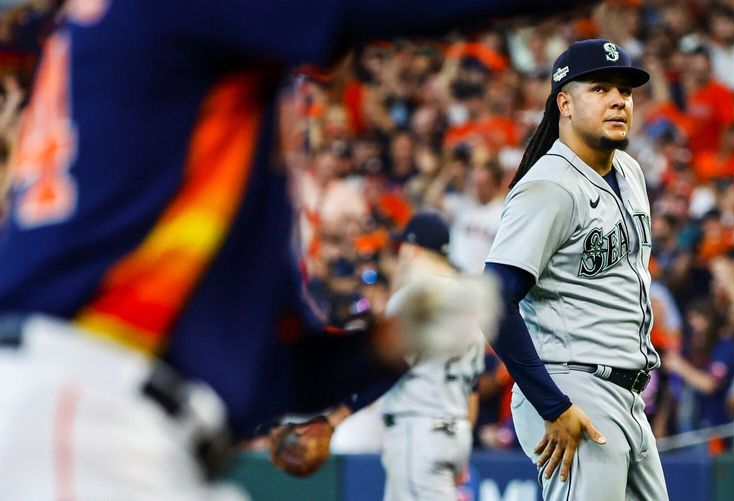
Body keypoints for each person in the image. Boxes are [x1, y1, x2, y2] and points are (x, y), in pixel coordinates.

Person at [0, 0, 597, 498]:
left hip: (112, 414)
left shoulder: (208, 127)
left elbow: (276, 377)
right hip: (84, 407)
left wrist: (391, 342)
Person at [484, 39, 669, 500]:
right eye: (601, 88)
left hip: (628, 394)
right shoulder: (550, 186)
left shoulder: (628, 170)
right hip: (575, 386)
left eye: (625, 91)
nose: (618, 101)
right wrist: (553, 405)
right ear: (564, 102)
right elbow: (491, 301)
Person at [380, 211, 484, 501]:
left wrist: (337, 417)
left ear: (413, 250)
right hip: (453, 429)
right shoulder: (467, 303)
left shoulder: (412, 299)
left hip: (418, 430)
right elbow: (472, 388)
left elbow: (383, 368)